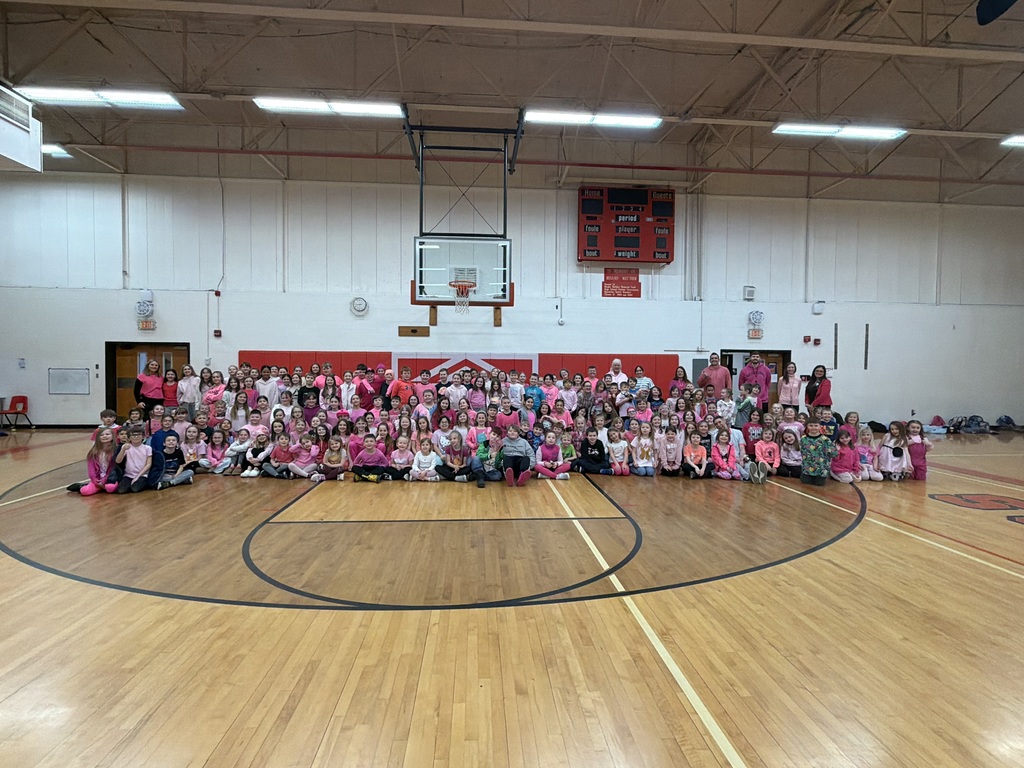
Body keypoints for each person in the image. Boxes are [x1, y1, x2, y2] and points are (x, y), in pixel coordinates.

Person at [81, 427, 120, 496]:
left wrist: (104, 480)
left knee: (110, 488)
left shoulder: (115, 450)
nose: (104, 436)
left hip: (109, 478)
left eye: (107, 434)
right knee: (84, 491)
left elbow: (113, 468)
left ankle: (105, 486)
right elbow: (91, 468)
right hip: (98, 479)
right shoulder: (94, 451)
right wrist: (94, 479)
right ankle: (96, 486)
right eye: (102, 435)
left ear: (113, 436)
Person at [799, 420, 838, 486]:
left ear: (820, 426)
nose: (813, 427)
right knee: (805, 482)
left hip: (821, 468)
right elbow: (801, 451)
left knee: (819, 483)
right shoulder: (803, 439)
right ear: (807, 427)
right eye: (811, 426)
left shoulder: (826, 440)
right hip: (807, 468)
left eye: (816, 426)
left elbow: (834, 453)